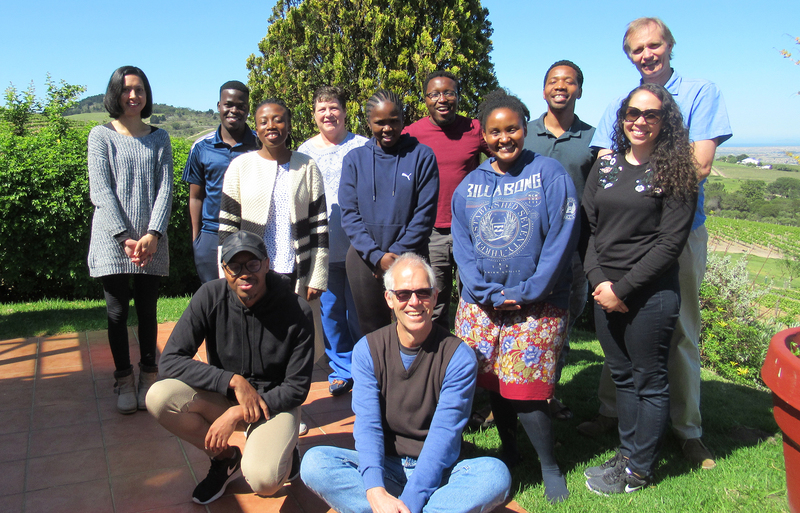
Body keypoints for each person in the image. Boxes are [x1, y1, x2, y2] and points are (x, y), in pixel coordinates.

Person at [581, 17, 732, 470]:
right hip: (618, 235)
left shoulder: (701, 93)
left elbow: (699, 165)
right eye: (637, 49)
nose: (647, 54)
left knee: (680, 327)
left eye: (654, 45)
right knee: (617, 322)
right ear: (629, 55)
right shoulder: (620, 104)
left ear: (669, 45)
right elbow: (609, 169)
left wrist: (647, 172)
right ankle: (617, 414)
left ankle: (688, 431)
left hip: (675, 231)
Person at [300, 253, 511, 513]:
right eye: (403, 294)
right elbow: (368, 427)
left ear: (435, 297)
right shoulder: (368, 350)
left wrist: (411, 499)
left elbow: (443, 439)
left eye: (423, 293)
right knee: (314, 462)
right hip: (386, 466)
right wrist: (376, 491)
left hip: (438, 473)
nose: (414, 302)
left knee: (495, 474)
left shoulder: (458, 357)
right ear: (389, 298)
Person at [452, 89, 578, 503]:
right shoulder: (470, 185)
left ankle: (548, 464)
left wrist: (529, 292)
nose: (505, 138)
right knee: (492, 381)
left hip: (538, 302)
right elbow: (462, 246)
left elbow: (561, 239)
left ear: (524, 129)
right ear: (484, 136)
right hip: (481, 304)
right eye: (495, 131)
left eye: (512, 129)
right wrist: (486, 292)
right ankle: (509, 450)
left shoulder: (550, 174)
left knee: (525, 389)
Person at [582, 83, 698, 494]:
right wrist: (600, 283)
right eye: (633, 113)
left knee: (649, 380)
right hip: (605, 292)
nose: (640, 121)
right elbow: (593, 231)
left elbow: (670, 243)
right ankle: (628, 454)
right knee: (623, 377)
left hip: (649, 295)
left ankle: (640, 470)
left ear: (666, 122)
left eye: (651, 114)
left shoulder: (676, 171)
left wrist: (623, 289)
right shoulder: (607, 165)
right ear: (622, 118)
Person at [146, 231, 314, 504]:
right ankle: (225, 459)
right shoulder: (209, 297)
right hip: (223, 398)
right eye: (234, 266)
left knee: (264, 480)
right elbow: (170, 360)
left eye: (253, 264)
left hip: (273, 405)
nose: (244, 274)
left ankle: (286, 447)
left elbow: (297, 388)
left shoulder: (296, 311)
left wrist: (239, 413)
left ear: (267, 264)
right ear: (224, 269)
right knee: (159, 396)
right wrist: (231, 381)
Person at [88, 65, 173, 415]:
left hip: (152, 241)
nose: (133, 95)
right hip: (112, 240)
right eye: (126, 90)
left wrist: (153, 233)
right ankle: (123, 378)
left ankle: (148, 376)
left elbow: (166, 188)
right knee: (117, 312)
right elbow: (101, 190)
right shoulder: (100, 136)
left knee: (149, 311)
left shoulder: (160, 137)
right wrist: (124, 236)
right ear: (115, 94)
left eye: (138, 89)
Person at [524, 60, 597, 421]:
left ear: (579, 90)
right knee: (520, 320)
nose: (561, 86)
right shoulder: (523, 133)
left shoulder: (594, 139)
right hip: (525, 248)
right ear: (543, 89)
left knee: (560, 326)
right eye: (554, 80)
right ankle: (510, 395)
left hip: (573, 250)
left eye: (569, 81)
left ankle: (547, 393)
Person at [340, 90, 439, 335]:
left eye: (393, 120)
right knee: (372, 331)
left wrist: (396, 255)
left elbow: (424, 214)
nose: (387, 128)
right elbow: (349, 214)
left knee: (414, 326)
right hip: (365, 259)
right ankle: (376, 374)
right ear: (368, 123)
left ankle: (413, 374)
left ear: (403, 119)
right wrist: (376, 256)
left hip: (411, 256)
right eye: (379, 122)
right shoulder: (355, 159)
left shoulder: (422, 157)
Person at [218, 98, 328, 302]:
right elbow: (227, 227)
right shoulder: (240, 167)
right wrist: (226, 271)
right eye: (263, 121)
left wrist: (317, 275)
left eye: (278, 120)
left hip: (296, 269)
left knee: (296, 328)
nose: (271, 126)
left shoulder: (307, 166)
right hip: (251, 269)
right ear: (256, 128)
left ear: (288, 125)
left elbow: (319, 226)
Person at [403, 71, 489, 329]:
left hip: (471, 230)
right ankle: (436, 360)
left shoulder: (474, 129)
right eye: (434, 94)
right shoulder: (412, 134)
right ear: (426, 99)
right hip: (432, 233)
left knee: (473, 299)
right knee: (433, 301)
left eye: (449, 92)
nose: (442, 99)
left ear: (458, 96)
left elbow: (503, 156)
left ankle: (471, 357)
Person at [298, 86, 367, 396]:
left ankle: (366, 368)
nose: (328, 114)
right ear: (314, 115)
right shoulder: (304, 152)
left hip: (359, 248)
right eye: (321, 109)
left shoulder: (364, 146)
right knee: (331, 313)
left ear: (344, 111)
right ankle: (341, 369)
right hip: (322, 249)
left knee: (361, 313)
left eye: (334, 107)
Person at [182, 80, 258, 283]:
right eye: (228, 104)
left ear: (248, 109)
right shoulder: (201, 147)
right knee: (214, 296)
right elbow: (196, 197)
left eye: (241, 106)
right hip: (211, 234)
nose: (234, 110)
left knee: (249, 295)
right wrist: (197, 239)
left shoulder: (260, 145)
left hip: (251, 232)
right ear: (219, 106)